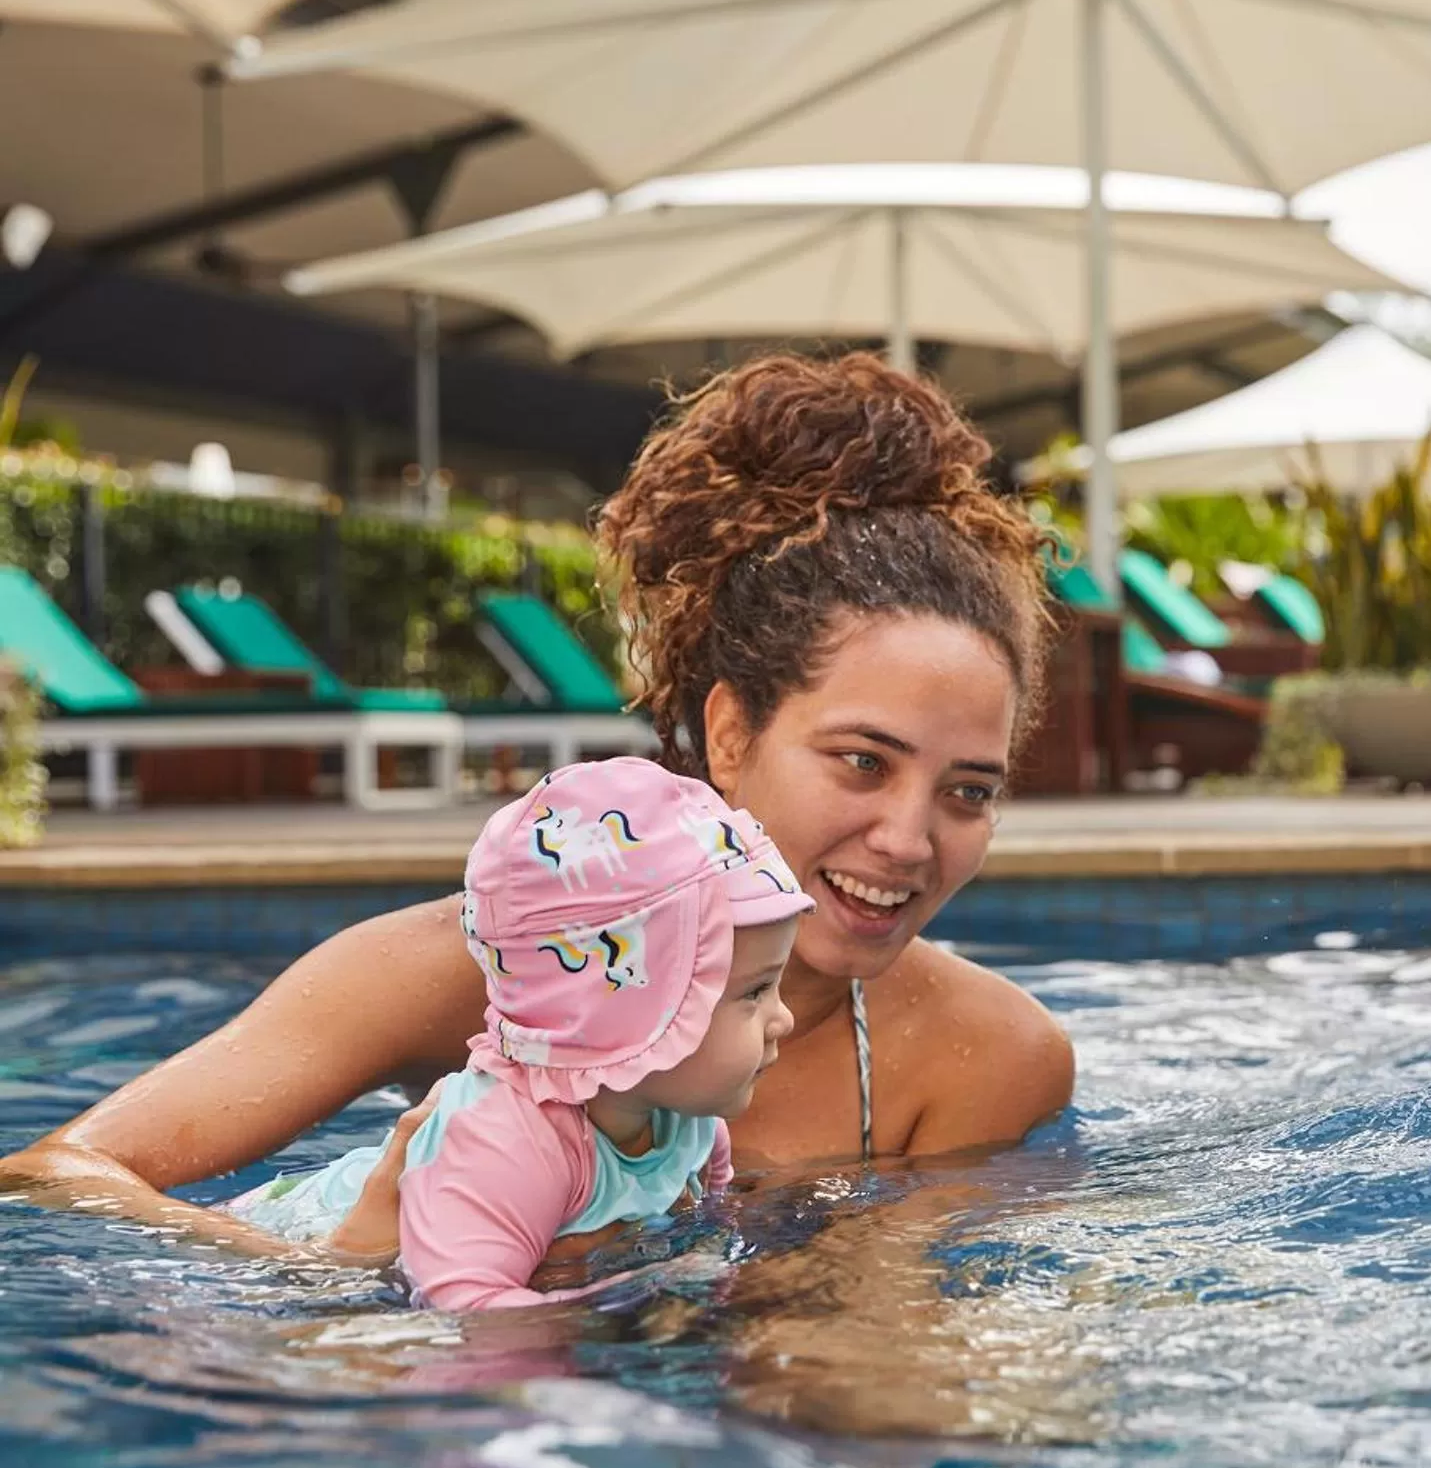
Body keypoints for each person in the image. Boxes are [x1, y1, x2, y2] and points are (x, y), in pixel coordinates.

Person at [0, 353, 1075, 1256]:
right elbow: (58, 1174)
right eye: (860, 762)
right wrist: (332, 1264)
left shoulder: (980, 1056)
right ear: (732, 733)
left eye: (968, 791)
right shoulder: (473, 967)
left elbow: (873, 1346)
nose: (907, 840)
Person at [224, 757, 809, 1310]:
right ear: (634, 1009)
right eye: (754, 993)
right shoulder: (511, 1138)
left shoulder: (690, 1120)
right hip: (280, 1253)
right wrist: (632, 1290)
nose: (784, 1018)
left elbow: (712, 1228)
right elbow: (467, 1313)